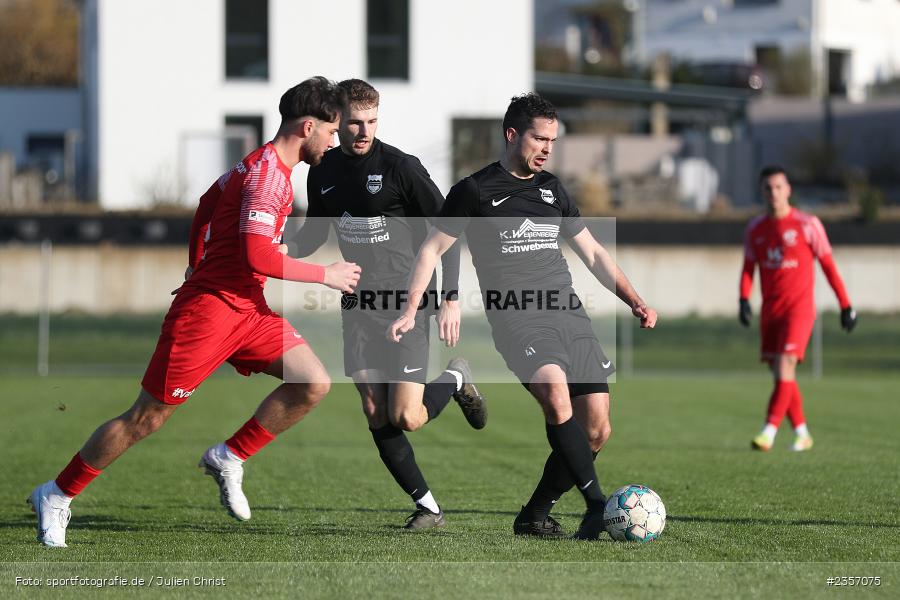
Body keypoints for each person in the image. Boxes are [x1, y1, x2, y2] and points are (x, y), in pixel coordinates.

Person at [27, 77, 362, 548]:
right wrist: (324, 274)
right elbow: (257, 256)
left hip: (248, 310)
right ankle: (57, 494)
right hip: (210, 313)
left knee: (313, 382)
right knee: (146, 418)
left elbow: (207, 204)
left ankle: (229, 456)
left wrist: (194, 260)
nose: (333, 140)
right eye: (330, 131)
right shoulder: (267, 177)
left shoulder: (257, 166)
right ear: (307, 127)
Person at [388, 93, 657, 539]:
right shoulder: (474, 191)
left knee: (596, 428)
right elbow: (431, 250)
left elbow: (592, 252)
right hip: (518, 320)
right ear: (512, 134)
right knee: (556, 396)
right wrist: (413, 307)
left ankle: (534, 515)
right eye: (539, 138)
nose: (547, 148)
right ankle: (596, 505)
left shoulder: (553, 189)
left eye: (552, 140)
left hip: (569, 315)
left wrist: (635, 299)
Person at [289, 78, 487, 530]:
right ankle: (429, 508)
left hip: (406, 303)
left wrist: (450, 297)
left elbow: (448, 233)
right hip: (357, 304)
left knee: (406, 416)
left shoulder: (401, 168)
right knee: (374, 410)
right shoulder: (321, 170)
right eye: (354, 123)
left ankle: (456, 378)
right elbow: (312, 236)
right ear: (336, 121)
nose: (364, 131)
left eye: (372, 122)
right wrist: (275, 247)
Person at [740, 165, 856, 452]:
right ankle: (802, 433)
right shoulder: (755, 229)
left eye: (779, 187)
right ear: (762, 191)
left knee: (785, 365)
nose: (774, 193)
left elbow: (828, 266)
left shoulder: (807, 224)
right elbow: (748, 268)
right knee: (781, 374)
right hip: (771, 312)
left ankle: (768, 432)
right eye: (768, 188)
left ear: (788, 190)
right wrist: (743, 299)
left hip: (799, 309)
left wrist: (845, 305)